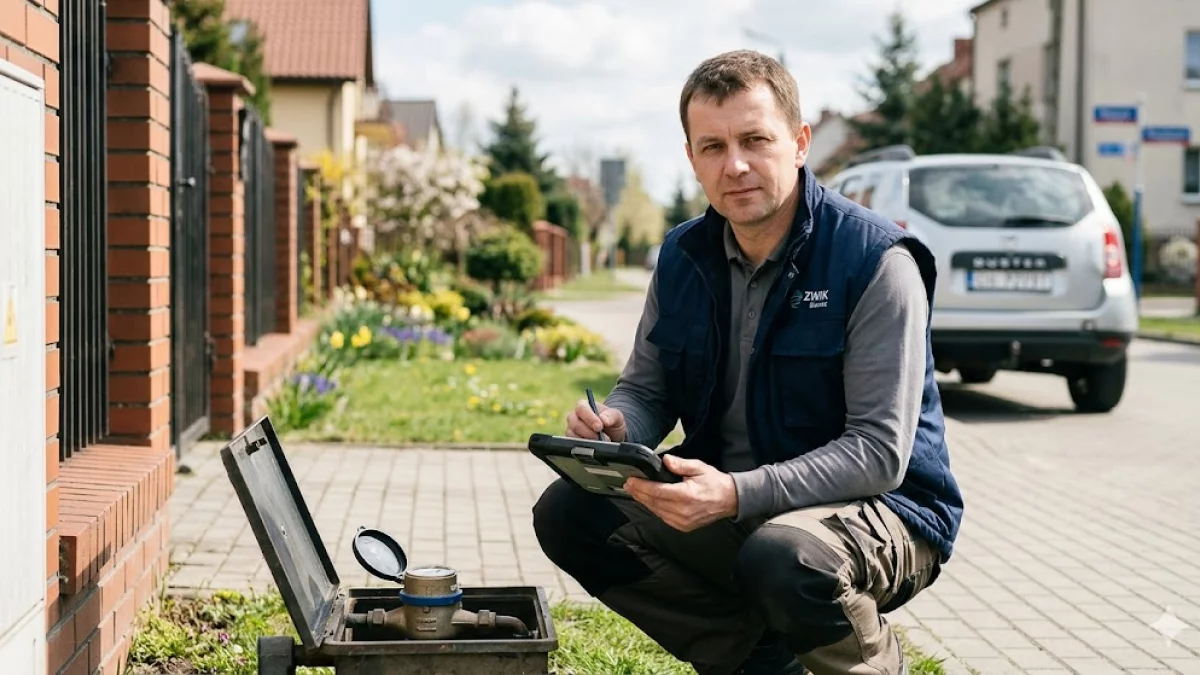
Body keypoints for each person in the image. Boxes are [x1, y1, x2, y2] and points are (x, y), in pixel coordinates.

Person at [532, 50, 964, 675]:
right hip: (741, 501)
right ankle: (761, 661)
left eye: (754, 139)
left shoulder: (875, 262)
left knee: (785, 559)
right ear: (692, 160)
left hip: (890, 510)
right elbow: (647, 389)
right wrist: (621, 426)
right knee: (571, 513)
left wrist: (735, 493)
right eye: (712, 147)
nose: (734, 165)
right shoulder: (683, 256)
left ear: (799, 142)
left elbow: (878, 452)